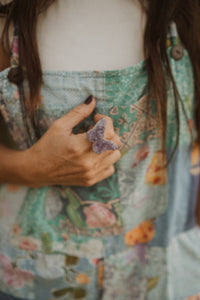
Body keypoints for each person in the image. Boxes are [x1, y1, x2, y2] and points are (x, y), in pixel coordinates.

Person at [0, 0, 200, 299]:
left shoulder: (184, 10)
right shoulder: (10, 16)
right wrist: (29, 167)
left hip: (166, 262)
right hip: (41, 275)